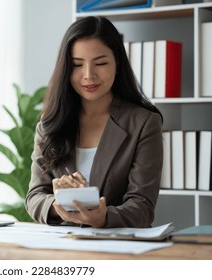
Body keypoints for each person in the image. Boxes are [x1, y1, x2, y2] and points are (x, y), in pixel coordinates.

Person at [25, 16, 163, 228]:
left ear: (117, 64)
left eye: (100, 63)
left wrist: (104, 217)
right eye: (77, 65)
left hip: (117, 248)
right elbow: (35, 197)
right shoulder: (50, 124)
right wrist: (60, 202)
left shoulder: (144, 123)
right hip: (62, 246)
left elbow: (142, 206)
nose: (89, 75)